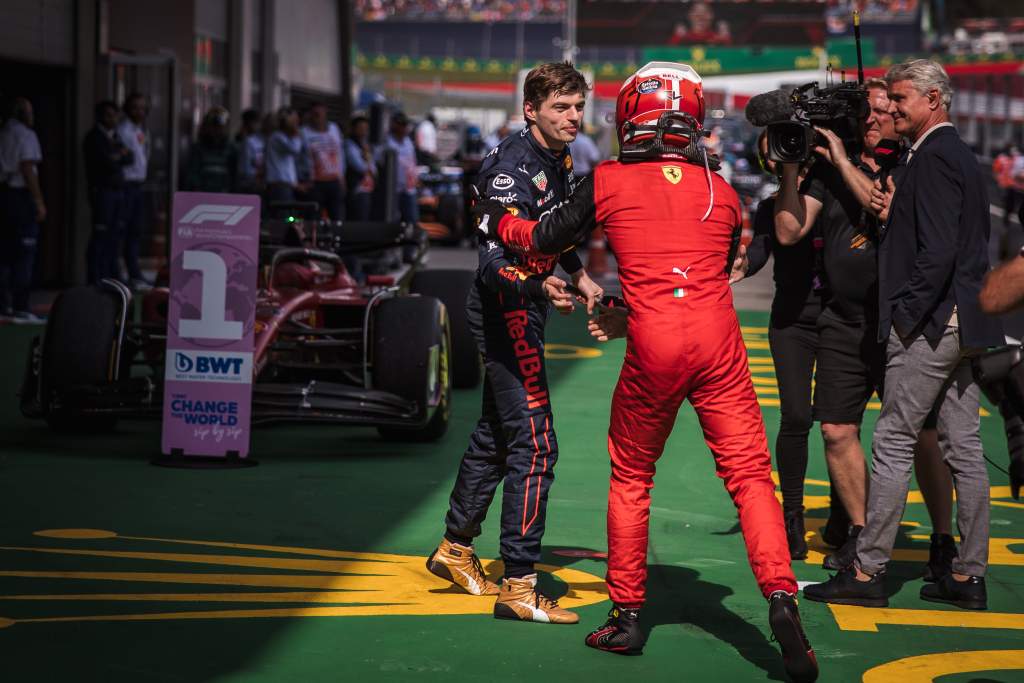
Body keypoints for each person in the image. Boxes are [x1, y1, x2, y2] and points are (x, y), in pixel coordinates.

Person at [472, 62, 818, 682]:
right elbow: (690, 276)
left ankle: (627, 614)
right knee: (748, 476)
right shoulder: (725, 192)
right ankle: (781, 594)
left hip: (654, 343)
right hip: (718, 341)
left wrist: (500, 223)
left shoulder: (607, 179)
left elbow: (545, 236)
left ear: (633, 116)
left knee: (633, 475)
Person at [806, 59, 1003, 611]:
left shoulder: (936, 156)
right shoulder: (948, 155)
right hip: (964, 322)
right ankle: (967, 576)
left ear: (933, 99)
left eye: (899, 98)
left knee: (893, 441)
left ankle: (867, 572)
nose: (889, 107)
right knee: (963, 448)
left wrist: (904, 316)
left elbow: (937, 252)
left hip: (933, 323)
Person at [426, 62, 604, 626]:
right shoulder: (510, 169)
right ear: (532, 110)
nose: (574, 117)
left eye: (578, 106)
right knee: (536, 444)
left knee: (498, 434)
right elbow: (492, 264)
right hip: (506, 308)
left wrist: (576, 274)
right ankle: (520, 585)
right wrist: (538, 285)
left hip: (531, 302)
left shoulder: (559, 155)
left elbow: (554, 228)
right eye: (562, 107)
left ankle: (455, 549)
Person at [774, 78, 956, 576]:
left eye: (885, 109)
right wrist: (791, 170)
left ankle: (943, 538)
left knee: (924, 434)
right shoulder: (827, 173)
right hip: (844, 321)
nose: (876, 118)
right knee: (835, 429)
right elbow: (789, 229)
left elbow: (883, 209)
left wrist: (840, 161)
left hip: (903, 323)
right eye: (867, 112)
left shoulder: (911, 164)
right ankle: (860, 531)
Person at [744, 130, 828, 560]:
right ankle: (791, 516)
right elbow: (755, 257)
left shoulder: (836, 194)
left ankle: (844, 518)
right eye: (771, 160)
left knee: (838, 425)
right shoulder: (768, 209)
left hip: (839, 322)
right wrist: (721, 274)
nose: (780, 164)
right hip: (791, 323)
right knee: (796, 415)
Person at [0, 97, 46, 322]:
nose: (32, 116)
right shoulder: (25, 134)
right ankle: (20, 304)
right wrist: (38, 201)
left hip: (4, 194)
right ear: (22, 114)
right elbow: (27, 167)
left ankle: (4, 304)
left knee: (4, 253)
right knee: (24, 253)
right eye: (29, 111)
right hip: (19, 196)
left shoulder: (3, 132)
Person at [83, 100, 132, 284]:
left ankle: (111, 278)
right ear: (100, 117)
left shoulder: (115, 137)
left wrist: (118, 156)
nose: (113, 119)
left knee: (114, 237)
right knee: (100, 237)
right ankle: (95, 278)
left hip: (118, 191)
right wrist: (119, 156)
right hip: (103, 193)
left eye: (115, 115)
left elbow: (130, 157)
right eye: (109, 115)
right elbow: (107, 163)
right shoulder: (94, 138)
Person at [117, 92, 150, 290]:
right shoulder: (123, 130)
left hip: (138, 185)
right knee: (123, 231)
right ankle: (119, 272)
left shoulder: (141, 130)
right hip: (126, 185)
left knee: (135, 231)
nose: (140, 111)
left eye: (142, 107)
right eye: (135, 107)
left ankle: (134, 273)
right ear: (127, 109)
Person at [301, 102, 346, 220]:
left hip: (334, 180)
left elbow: (340, 154)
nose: (318, 118)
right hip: (315, 182)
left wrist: (342, 176)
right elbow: (300, 157)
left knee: (336, 215)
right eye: (315, 114)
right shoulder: (304, 132)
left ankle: (335, 237)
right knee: (314, 215)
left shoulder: (334, 129)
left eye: (321, 114)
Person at [375, 111, 419, 224]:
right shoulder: (386, 142)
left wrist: (416, 177)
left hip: (409, 187)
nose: (404, 128)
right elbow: (378, 161)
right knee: (392, 220)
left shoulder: (408, 142)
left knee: (411, 219)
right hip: (393, 188)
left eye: (405, 125)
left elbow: (412, 162)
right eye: (401, 125)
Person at [183, 106, 237, 193]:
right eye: (214, 126)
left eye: (220, 126)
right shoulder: (198, 148)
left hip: (226, 197)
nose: (217, 130)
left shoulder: (232, 149)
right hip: (202, 195)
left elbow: (235, 177)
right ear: (207, 126)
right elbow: (192, 176)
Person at [264, 106, 306, 204]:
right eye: (294, 120)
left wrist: (295, 184)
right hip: (279, 186)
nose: (297, 123)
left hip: (286, 186)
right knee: (284, 217)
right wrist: (296, 132)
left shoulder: (284, 137)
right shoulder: (277, 137)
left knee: (289, 216)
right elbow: (295, 149)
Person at [344, 114, 377, 220]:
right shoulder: (349, 144)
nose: (363, 132)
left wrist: (367, 158)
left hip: (368, 188)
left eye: (365, 129)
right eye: (360, 128)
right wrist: (367, 159)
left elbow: (373, 169)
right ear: (353, 129)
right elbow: (360, 167)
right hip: (356, 189)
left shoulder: (365, 145)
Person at [235, 108, 264, 194]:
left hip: (256, 181)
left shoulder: (259, 139)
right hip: (249, 183)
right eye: (256, 122)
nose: (258, 125)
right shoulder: (246, 141)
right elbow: (245, 167)